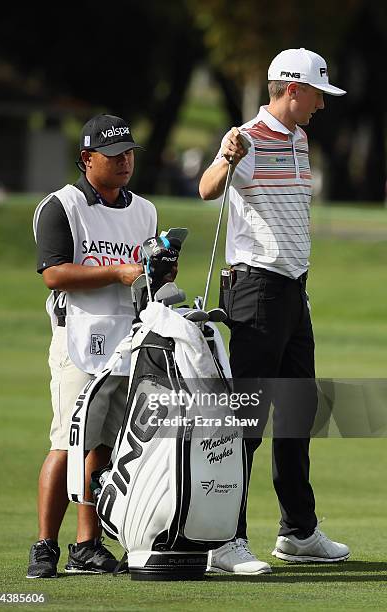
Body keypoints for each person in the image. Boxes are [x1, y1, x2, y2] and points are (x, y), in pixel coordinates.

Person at [199, 48, 350, 575]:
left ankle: (299, 532)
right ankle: (225, 541)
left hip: (292, 294)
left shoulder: (301, 139)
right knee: (247, 421)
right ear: (292, 90)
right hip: (255, 293)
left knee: (296, 416)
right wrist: (225, 155)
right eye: (317, 95)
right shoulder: (248, 139)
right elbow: (207, 189)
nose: (322, 106)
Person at [27, 114, 158, 578]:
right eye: (114, 155)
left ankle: (87, 546)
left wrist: (158, 271)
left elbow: (142, 274)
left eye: (129, 154)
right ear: (87, 159)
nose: (125, 162)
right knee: (67, 442)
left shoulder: (144, 210)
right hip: (77, 337)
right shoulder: (61, 206)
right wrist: (117, 273)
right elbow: (54, 274)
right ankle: (45, 545)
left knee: (101, 446)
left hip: (127, 339)